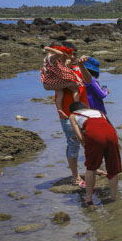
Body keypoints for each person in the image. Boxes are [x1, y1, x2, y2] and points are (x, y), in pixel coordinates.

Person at [44, 41, 90, 187]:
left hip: (85, 112)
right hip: (67, 114)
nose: (73, 56)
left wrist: (81, 65)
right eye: (71, 53)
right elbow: (46, 86)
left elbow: (88, 81)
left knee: (89, 141)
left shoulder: (77, 68)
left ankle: (92, 168)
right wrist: (69, 84)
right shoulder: (59, 68)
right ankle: (76, 177)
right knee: (73, 143)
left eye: (75, 53)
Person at [68, 102, 122, 205]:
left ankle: (89, 199)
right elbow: (108, 127)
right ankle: (113, 197)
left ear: (72, 110)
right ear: (86, 108)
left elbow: (80, 136)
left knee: (91, 167)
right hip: (111, 135)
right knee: (113, 169)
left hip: (95, 136)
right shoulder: (98, 112)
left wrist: (86, 146)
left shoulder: (73, 115)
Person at [41, 45, 80, 120]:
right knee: (75, 87)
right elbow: (60, 54)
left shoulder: (52, 59)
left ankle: (60, 109)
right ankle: (77, 104)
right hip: (55, 79)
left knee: (59, 93)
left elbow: (63, 56)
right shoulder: (51, 57)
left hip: (52, 79)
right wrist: (48, 48)